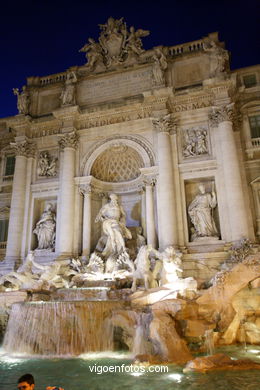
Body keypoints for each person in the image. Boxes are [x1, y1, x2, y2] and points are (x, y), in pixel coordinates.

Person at [95, 193, 132, 257]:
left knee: (117, 233)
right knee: (114, 233)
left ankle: (118, 248)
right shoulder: (107, 206)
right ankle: (120, 248)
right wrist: (101, 218)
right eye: (113, 199)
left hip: (117, 223)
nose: (115, 201)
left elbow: (123, 215)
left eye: (115, 199)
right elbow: (100, 214)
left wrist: (122, 221)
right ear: (111, 199)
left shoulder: (119, 207)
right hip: (108, 222)